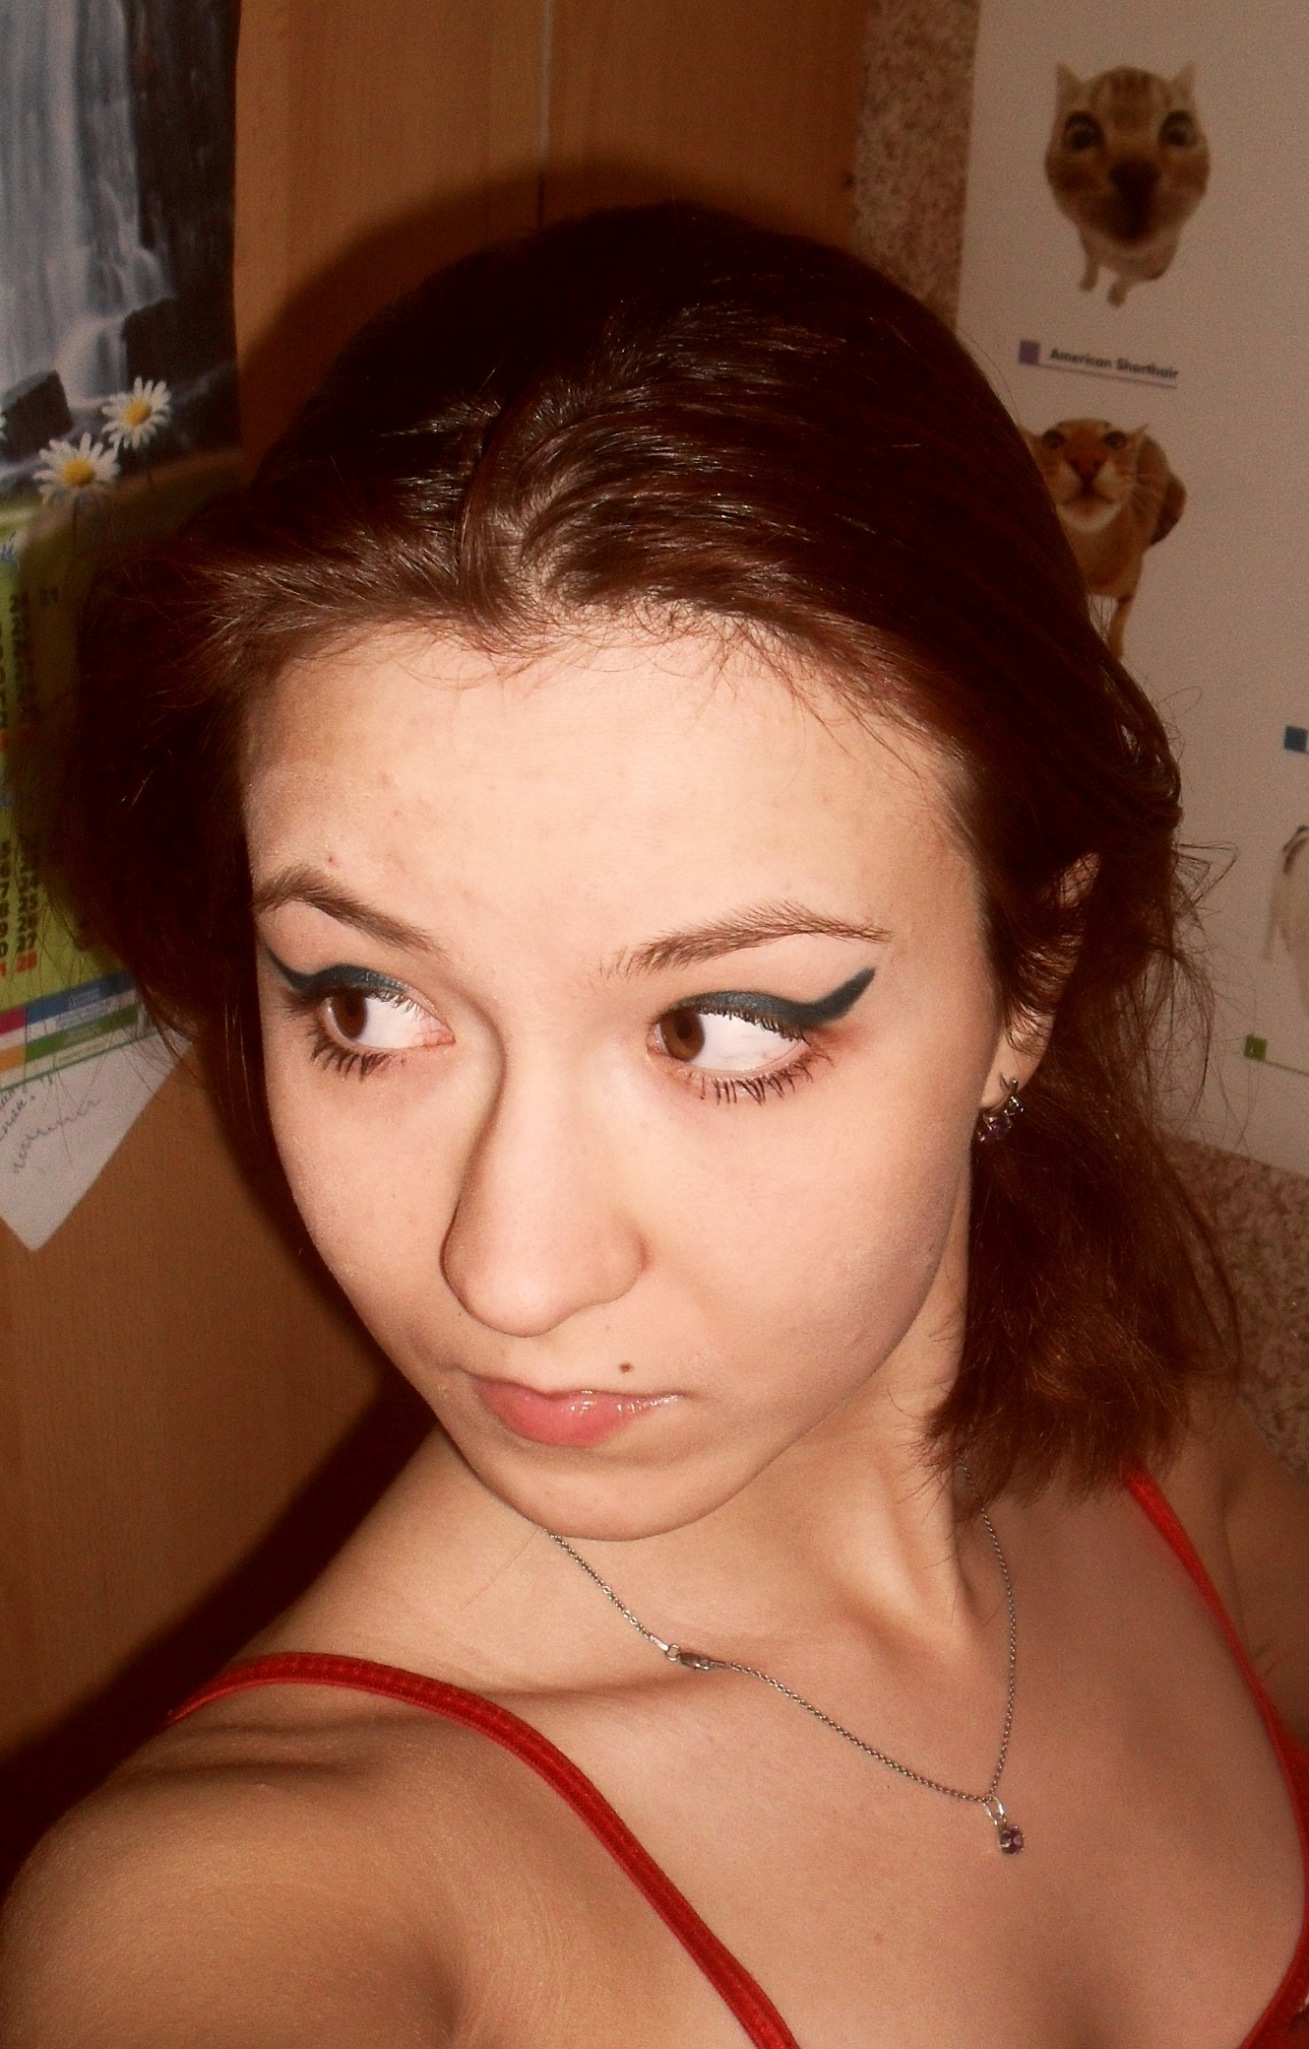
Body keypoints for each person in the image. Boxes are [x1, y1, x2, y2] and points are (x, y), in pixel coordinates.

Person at [2, 203, 1307, 2047]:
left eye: (720, 1028)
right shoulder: (258, 1900)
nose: (510, 1271)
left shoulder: (1157, 1455)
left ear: (1029, 976)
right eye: (363, 1002)